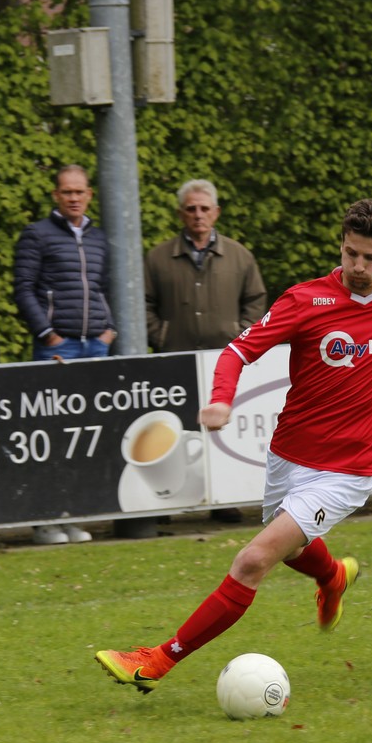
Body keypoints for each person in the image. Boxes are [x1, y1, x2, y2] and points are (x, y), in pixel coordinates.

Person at [95, 199, 372, 693]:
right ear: (341, 245)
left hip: (348, 471)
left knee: (252, 561)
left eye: (370, 258)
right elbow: (237, 351)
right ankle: (332, 577)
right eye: (351, 253)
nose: (358, 267)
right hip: (287, 457)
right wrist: (221, 399)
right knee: (291, 548)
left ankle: (157, 660)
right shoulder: (305, 300)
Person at [145, 178, 267, 523]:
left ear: (216, 212)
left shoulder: (239, 256)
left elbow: (256, 300)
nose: (198, 215)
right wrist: (162, 335)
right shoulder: (158, 258)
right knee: (177, 428)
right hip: (177, 358)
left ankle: (223, 500)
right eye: (191, 209)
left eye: (204, 208)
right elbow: (144, 303)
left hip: (223, 360)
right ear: (180, 214)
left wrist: (239, 336)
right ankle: (171, 504)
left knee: (221, 428)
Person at [14, 165, 116, 544]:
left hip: (96, 346)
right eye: (67, 192)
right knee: (52, 435)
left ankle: (74, 515)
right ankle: (45, 521)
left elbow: (107, 287)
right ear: (56, 195)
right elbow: (23, 289)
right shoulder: (36, 234)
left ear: (89, 194)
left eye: (79, 191)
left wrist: (109, 330)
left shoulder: (99, 238)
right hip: (57, 348)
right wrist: (49, 335)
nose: (74, 198)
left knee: (87, 436)